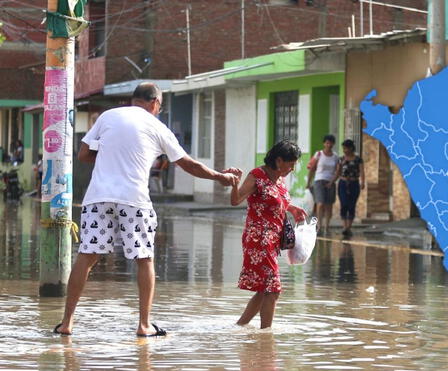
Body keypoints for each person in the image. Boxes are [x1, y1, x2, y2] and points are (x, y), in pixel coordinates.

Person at [53, 82, 240, 337]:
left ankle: (67, 323)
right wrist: (220, 177)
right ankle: (143, 325)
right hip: (134, 200)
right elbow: (188, 164)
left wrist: (111, 156)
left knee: (86, 257)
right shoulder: (157, 126)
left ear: (134, 99)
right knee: (144, 259)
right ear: (155, 103)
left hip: (98, 198)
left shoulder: (108, 116)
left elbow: (84, 154)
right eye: (159, 107)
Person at [231, 140, 307, 329]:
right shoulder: (257, 175)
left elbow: (274, 201)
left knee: (264, 289)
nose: (292, 168)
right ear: (279, 160)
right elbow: (236, 200)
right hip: (258, 239)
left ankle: (240, 326)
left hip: (273, 240)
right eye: (291, 164)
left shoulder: (279, 178)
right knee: (273, 290)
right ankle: (266, 336)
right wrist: (234, 184)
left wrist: (292, 208)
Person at [331, 139, 365, 237]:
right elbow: (338, 172)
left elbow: (362, 171)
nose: (345, 150)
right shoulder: (341, 159)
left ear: (351, 148)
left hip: (354, 183)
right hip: (343, 183)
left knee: (351, 205)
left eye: (346, 148)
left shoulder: (358, 159)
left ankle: (348, 227)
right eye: (344, 148)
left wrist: (363, 182)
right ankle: (344, 226)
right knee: (344, 204)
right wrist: (331, 182)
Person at [306, 134, 339, 234]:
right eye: (327, 142)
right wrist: (308, 182)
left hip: (330, 182)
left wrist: (332, 182)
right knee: (320, 204)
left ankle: (327, 227)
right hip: (319, 181)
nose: (328, 145)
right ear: (324, 143)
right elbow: (312, 169)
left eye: (331, 143)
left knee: (329, 205)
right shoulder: (319, 154)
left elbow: (338, 171)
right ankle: (319, 226)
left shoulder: (335, 156)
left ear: (333, 144)